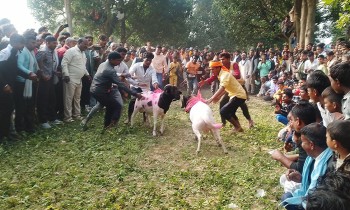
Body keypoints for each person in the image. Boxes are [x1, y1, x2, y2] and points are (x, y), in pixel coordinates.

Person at [281, 123, 333, 210]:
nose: (301, 145)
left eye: (303, 142)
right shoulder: (313, 158)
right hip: (314, 198)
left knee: (286, 198)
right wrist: (301, 178)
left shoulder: (330, 165)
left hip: (321, 204)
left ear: (311, 145)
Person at [90, 52, 143, 129]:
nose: (119, 62)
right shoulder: (110, 70)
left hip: (96, 88)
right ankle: (111, 124)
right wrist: (135, 94)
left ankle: (108, 125)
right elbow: (120, 84)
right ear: (111, 59)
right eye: (118, 60)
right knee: (116, 106)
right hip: (100, 91)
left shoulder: (103, 64)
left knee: (110, 106)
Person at [0, 34, 29, 141]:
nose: (22, 47)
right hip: (3, 87)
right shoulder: (5, 53)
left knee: (9, 110)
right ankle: (3, 136)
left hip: (10, 86)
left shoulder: (15, 53)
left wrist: (28, 75)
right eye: (22, 44)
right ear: (16, 43)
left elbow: (15, 69)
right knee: (4, 111)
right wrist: (4, 85)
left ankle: (8, 134)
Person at [205, 61, 247, 132]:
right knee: (231, 112)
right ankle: (239, 127)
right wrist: (218, 97)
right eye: (211, 70)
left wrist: (212, 98)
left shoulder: (224, 75)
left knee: (223, 111)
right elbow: (226, 88)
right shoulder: (221, 75)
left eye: (213, 69)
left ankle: (237, 127)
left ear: (218, 68)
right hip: (235, 95)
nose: (211, 71)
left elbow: (222, 88)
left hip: (239, 95)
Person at [124, 52, 158, 124]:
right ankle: (129, 118)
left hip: (146, 88)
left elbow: (154, 79)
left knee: (146, 102)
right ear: (143, 59)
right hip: (135, 86)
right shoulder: (136, 66)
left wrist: (155, 84)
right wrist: (135, 81)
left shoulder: (152, 69)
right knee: (133, 100)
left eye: (150, 60)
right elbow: (128, 76)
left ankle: (145, 120)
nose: (148, 62)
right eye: (147, 60)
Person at [61, 38, 91, 122]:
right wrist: (66, 74)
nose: (86, 46)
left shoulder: (83, 53)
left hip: (79, 79)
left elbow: (83, 66)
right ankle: (67, 117)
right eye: (85, 44)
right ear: (79, 43)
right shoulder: (71, 51)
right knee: (68, 98)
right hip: (70, 78)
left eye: (87, 45)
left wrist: (87, 74)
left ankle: (77, 115)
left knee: (77, 98)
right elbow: (64, 63)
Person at [36, 36, 62, 129]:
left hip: (50, 78)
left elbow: (48, 65)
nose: (56, 45)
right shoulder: (42, 51)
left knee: (52, 99)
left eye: (56, 43)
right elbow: (38, 64)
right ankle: (43, 121)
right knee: (43, 100)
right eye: (53, 43)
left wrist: (55, 72)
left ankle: (52, 118)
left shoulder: (52, 52)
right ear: (47, 43)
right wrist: (43, 75)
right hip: (43, 80)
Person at [14, 34, 38, 134]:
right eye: (33, 42)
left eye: (35, 42)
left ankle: (29, 127)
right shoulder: (23, 51)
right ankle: (20, 128)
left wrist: (38, 72)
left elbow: (35, 65)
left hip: (30, 81)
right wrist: (29, 73)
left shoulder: (31, 52)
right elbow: (19, 65)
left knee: (30, 105)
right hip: (22, 82)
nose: (35, 44)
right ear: (26, 42)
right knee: (21, 106)